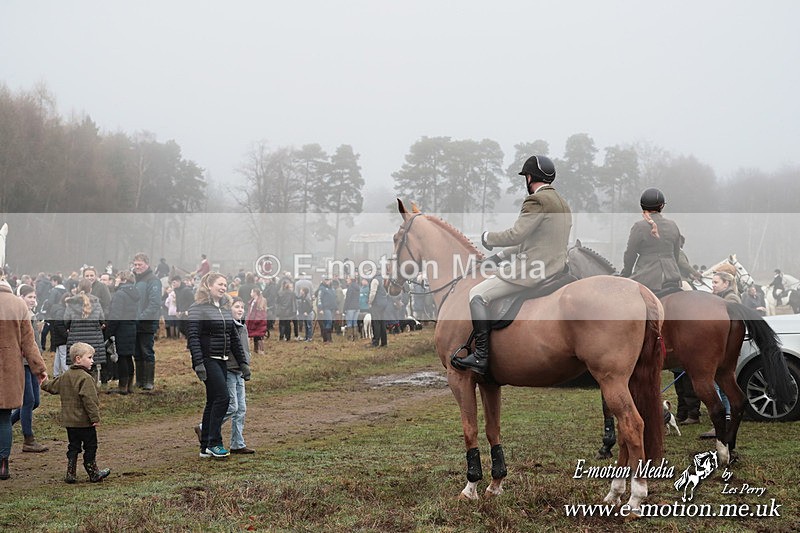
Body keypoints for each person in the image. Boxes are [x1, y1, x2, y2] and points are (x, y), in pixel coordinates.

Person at [455, 155, 572, 374]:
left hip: (533, 270)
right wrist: (500, 257)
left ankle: (481, 356)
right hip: (558, 268)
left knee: (477, 294)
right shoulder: (562, 203)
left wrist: (488, 237)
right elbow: (537, 241)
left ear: (529, 177)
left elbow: (517, 235)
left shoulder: (536, 201)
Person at [187, 272, 247, 459]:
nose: (223, 287)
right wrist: (198, 363)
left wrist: (243, 363)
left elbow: (233, 337)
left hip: (222, 360)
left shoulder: (224, 308)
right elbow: (193, 337)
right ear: (208, 285)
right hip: (207, 359)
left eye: (225, 284)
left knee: (212, 401)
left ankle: (205, 446)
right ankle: (215, 442)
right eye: (220, 284)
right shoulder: (198, 308)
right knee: (223, 398)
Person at [40, 342, 111, 483]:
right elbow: (90, 401)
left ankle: (70, 472)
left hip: (70, 423)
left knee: (73, 446)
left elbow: (52, 387)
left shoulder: (65, 375)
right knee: (91, 446)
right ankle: (93, 472)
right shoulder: (86, 378)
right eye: (90, 357)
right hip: (85, 423)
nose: (92, 361)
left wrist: (44, 382)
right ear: (78, 359)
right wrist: (95, 418)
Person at [0, 278, 48, 480]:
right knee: (3, 418)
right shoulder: (17, 304)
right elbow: (29, 342)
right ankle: (3, 465)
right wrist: (39, 368)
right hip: (9, 371)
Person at [620, 188, 683, 294]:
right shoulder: (673, 225)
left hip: (647, 278)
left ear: (642, 206)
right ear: (662, 206)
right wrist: (672, 268)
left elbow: (630, 254)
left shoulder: (639, 226)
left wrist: (626, 273)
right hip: (672, 278)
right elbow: (676, 254)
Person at [9, 285, 49, 453]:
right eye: (29, 297)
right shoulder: (18, 316)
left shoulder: (33, 315)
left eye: (34, 297)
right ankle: (28, 439)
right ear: (21, 297)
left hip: (33, 363)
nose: (33, 300)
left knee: (35, 402)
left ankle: (6, 423)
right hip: (22, 363)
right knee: (28, 400)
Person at [224, 297, 254, 454]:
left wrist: (246, 364)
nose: (240, 309)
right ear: (229, 309)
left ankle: (237, 443)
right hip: (229, 369)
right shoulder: (228, 326)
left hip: (240, 371)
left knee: (241, 408)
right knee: (232, 406)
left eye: (242, 307)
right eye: (237, 307)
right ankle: (205, 427)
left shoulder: (242, 326)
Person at [64, 279, 107, 385]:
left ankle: (76, 387)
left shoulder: (71, 303)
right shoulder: (96, 303)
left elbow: (66, 321)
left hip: (76, 338)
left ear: (78, 289)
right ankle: (92, 388)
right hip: (94, 339)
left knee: (77, 366)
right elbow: (102, 319)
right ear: (91, 289)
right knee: (92, 365)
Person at [106, 271, 139, 394]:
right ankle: (129, 385)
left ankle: (122, 387)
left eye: (118, 278)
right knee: (128, 357)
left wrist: (110, 331)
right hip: (131, 327)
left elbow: (115, 315)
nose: (116, 280)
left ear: (124, 280)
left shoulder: (120, 294)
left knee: (122, 358)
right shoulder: (133, 293)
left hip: (121, 329)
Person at [132, 253, 162, 391]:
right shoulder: (136, 280)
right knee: (137, 352)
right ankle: (139, 381)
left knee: (146, 351)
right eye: (135, 264)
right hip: (135, 322)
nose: (137, 267)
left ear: (147, 265)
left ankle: (149, 381)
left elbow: (154, 303)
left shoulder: (153, 280)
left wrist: (142, 317)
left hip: (147, 323)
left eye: (140, 264)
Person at [367, 271, 389, 348]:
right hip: (384, 303)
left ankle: (375, 342)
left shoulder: (374, 280)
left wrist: (369, 302)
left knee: (376, 323)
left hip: (377, 304)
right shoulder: (382, 279)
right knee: (382, 323)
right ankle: (384, 342)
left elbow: (373, 293)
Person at [246, 288, 267, 353]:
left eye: (251, 292)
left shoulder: (260, 302)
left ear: (255, 293)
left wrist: (256, 321)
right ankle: (256, 350)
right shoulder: (252, 301)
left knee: (259, 336)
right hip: (253, 322)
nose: (250, 293)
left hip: (258, 323)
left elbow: (260, 314)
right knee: (256, 336)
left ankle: (261, 350)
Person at [317, 276, 337, 343]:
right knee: (328, 322)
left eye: (328, 280)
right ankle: (327, 338)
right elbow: (319, 299)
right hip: (326, 308)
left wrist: (336, 308)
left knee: (329, 323)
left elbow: (334, 299)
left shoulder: (332, 289)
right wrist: (320, 308)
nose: (327, 282)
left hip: (332, 308)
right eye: (326, 280)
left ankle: (327, 338)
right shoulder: (322, 289)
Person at [343, 276, 361, 341]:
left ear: (351, 280)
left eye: (347, 279)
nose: (346, 280)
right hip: (357, 307)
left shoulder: (350, 288)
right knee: (355, 322)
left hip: (350, 307)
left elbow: (348, 299)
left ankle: (350, 337)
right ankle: (355, 337)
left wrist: (344, 308)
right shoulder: (358, 287)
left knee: (349, 322)